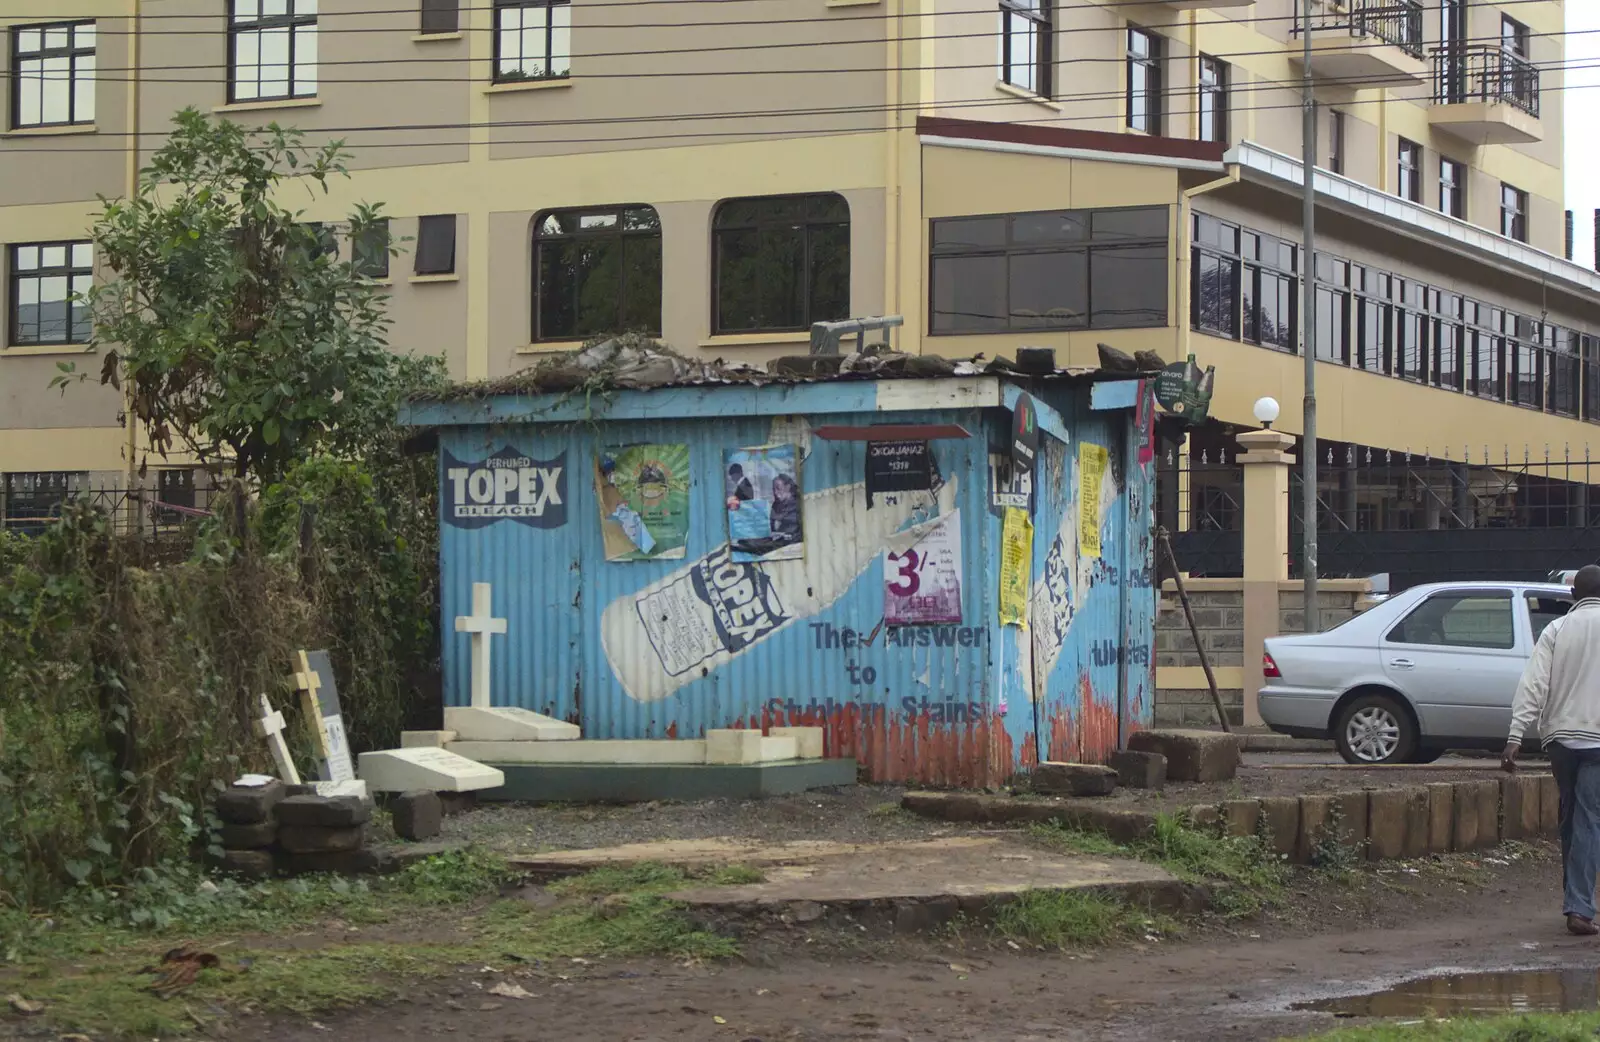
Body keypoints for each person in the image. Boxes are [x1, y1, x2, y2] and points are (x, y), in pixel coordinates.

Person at [1504, 564, 1600, 936]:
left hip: (1560, 741)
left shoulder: (1556, 630)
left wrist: (1515, 736)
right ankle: (1579, 906)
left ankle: (1575, 899)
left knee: (1572, 816)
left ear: (1574, 594)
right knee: (1590, 819)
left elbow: (1533, 685)